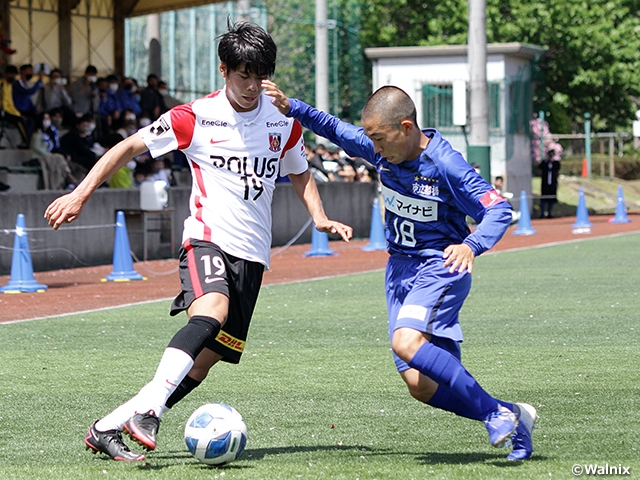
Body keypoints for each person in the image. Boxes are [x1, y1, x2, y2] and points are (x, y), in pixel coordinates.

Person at [44, 21, 353, 462]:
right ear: (224, 70)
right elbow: (128, 147)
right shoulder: (194, 117)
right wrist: (79, 193)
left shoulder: (283, 122)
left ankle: (108, 426)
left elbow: (298, 170)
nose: (251, 86)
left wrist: (320, 218)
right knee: (211, 311)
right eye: (242, 75)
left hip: (253, 256)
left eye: (259, 75)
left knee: (204, 361)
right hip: (206, 240)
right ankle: (148, 411)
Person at [263, 81, 539, 461]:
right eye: (370, 139)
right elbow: (332, 126)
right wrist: (290, 105)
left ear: (406, 128)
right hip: (399, 270)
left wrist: (471, 245)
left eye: (380, 138)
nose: (374, 147)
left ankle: (493, 414)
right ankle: (511, 415)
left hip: (440, 265)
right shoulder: (382, 151)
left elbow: (499, 211)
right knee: (420, 384)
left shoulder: (446, 164)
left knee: (406, 342)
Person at [12, 63, 45, 141]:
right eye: (29, 70)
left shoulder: (25, 84)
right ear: (22, 72)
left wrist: (35, 110)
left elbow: (28, 100)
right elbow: (29, 92)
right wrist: (39, 80)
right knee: (30, 121)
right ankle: (28, 141)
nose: (31, 73)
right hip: (20, 111)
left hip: (27, 110)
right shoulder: (18, 84)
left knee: (41, 118)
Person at [0, 64, 30, 147]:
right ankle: (27, 141)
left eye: (14, 75)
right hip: (3, 111)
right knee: (21, 121)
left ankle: (26, 141)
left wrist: (17, 113)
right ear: (6, 74)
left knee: (26, 119)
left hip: (8, 111)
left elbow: (10, 103)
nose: (13, 76)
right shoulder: (1, 84)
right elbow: (4, 104)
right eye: (11, 74)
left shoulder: (9, 86)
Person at [539, 151, 560, 218]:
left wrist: (552, 161)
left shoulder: (555, 163)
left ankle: (549, 213)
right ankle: (542, 213)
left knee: (552, 198)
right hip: (545, 184)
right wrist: (546, 159)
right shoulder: (544, 163)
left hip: (552, 184)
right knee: (544, 198)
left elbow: (557, 167)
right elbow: (540, 167)